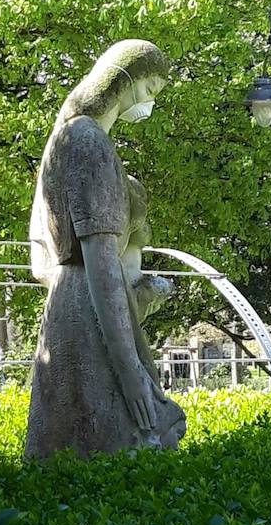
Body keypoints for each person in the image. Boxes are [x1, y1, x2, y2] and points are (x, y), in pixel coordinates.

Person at [25, 39, 186, 459]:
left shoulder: (65, 137)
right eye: (149, 89)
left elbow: (40, 262)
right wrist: (130, 370)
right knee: (122, 452)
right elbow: (101, 262)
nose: (148, 104)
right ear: (124, 79)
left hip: (66, 308)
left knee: (67, 463)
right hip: (92, 315)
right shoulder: (89, 141)